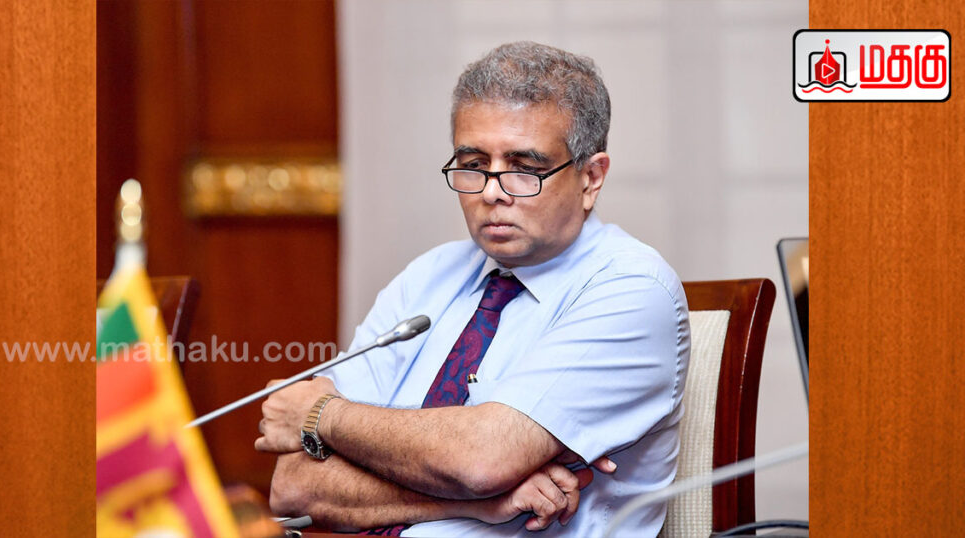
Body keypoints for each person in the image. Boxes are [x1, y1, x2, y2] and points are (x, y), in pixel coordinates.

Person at [255, 41, 690, 537]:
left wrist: (321, 416)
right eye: (475, 164)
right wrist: (481, 501)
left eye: (525, 169)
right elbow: (294, 486)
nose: (491, 191)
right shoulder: (429, 274)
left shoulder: (632, 289)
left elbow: (481, 459)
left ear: (591, 178)